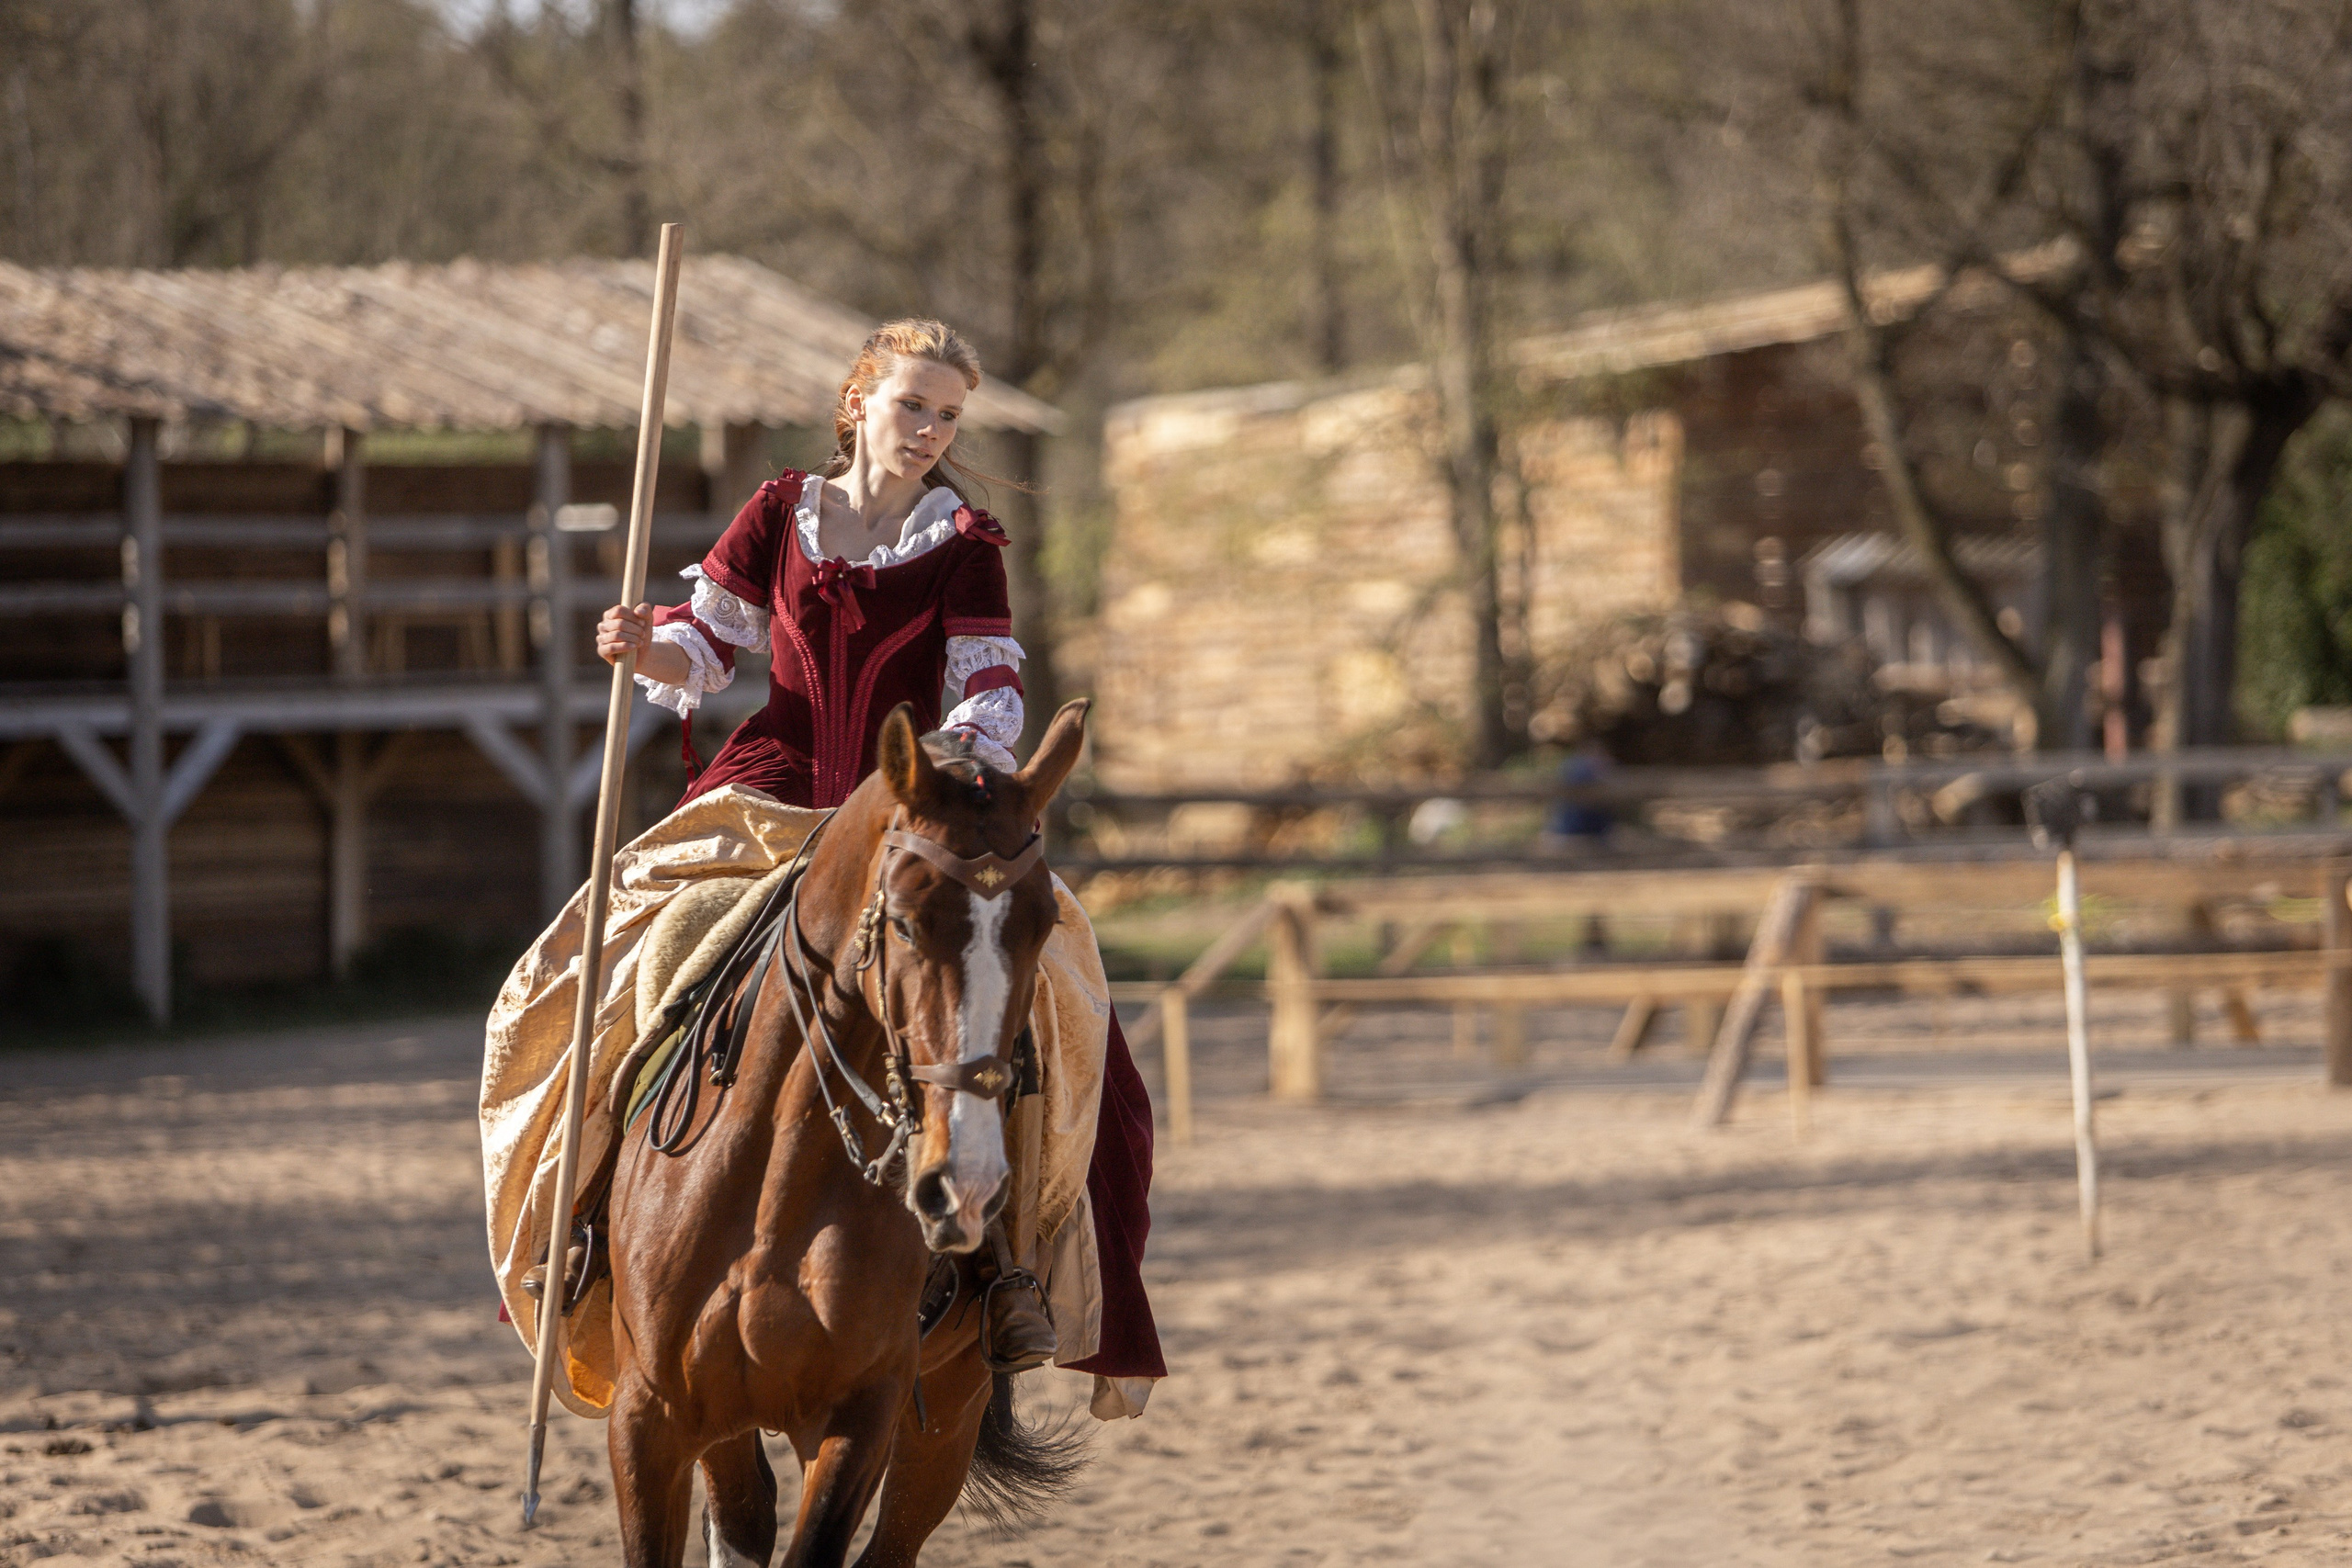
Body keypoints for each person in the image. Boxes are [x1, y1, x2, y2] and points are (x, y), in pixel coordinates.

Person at [592, 318, 1162, 1391]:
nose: (930, 430)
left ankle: (1013, 1271)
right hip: (774, 785)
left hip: (913, 803)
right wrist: (643, 644)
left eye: (948, 415)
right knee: (609, 951)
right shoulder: (778, 512)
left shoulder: (965, 542)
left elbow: (990, 690)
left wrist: (958, 770)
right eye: (913, 405)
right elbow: (706, 649)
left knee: (1067, 1008)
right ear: (858, 401)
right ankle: (581, 1221)